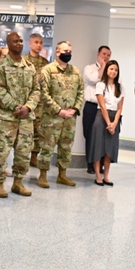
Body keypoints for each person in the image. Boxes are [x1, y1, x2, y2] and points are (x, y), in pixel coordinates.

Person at [0, 32, 39, 198]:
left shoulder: (30, 67)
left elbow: (36, 90)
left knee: (23, 152)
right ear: (8, 44)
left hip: (26, 118)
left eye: (20, 41)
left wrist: (28, 107)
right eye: (15, 41)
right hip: (6, 118)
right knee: (2, 152)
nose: (19, 43)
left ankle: (18, 183)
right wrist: (15, 106)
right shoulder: (0, 66)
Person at [35, 40, 83, 188]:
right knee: (47, 147)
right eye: (65, 51)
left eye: (69, 51)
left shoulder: (75, 71)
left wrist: (75, 109)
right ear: (57, 52)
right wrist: (59, 110)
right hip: (52, 117)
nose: (68, 54)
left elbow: (81, 92)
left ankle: (62, 175)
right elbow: (44, 94)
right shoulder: (47, 70)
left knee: (66, 146)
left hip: (69, 118)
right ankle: (42, 175)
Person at [89, 60, 124, 186]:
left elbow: (120, 107)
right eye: (111, 69)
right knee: (98, 147)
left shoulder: (120, 87)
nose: (113, 72)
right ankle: (98, 175)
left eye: (116, 69)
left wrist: (114, 123)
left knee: (109, 149)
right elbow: (102, 106)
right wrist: (109, 123)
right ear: (107, 70)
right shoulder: (101, 85)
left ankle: (106, 176)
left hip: (115, 118)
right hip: (102, 118)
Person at [82, 45, 110, 173]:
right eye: (104, 54)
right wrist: (103, 66)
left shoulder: (111, 71)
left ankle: (101, 165)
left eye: (108, 55)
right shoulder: (90, 68)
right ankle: (90, 165)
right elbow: (94, 80)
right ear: (98, 55)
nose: (106, 57)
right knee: (90, 135)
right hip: (91, 106)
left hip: (104, 108)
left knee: (102, 137)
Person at [25, 32, 49, 167]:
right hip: (26, 101)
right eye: (36, 42)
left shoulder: (45, 63)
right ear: (30, 43)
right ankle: (22, 156)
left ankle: (34, 156)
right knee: (24, 130)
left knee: (38, 130)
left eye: (40, 43)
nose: (39, 45)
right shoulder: (23, 60)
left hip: (40, 103)